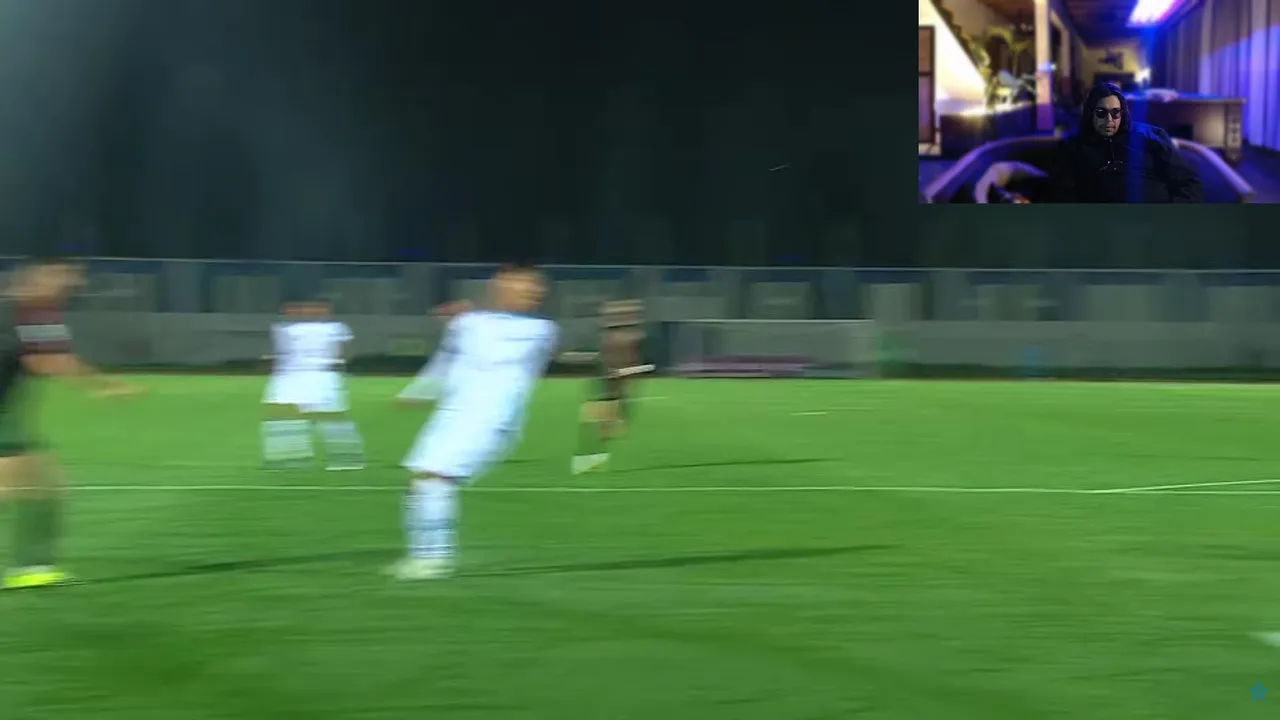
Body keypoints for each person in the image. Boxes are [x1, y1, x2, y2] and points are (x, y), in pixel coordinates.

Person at [391, 265, 558, 580]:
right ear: (497, 288)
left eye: (534, 290)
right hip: (454, 414)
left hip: (492, 417)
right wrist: (418, 391)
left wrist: (467, 316)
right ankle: (423, 555)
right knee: (419, 482)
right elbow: (445, 362)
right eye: (520, 287)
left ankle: (433, 560)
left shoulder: (540, 330)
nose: (531, 294)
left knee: (434, 479)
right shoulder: (469, 324)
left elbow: (494, 347)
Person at [0, 257, 137, 590]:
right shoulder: (31, 312)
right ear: (39, 275)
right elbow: (48, 361)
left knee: (43, 484)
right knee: (40, 484)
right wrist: (102, 385)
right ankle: (33, 567)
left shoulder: (21, 310)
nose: (71, 285)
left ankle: (34, 567)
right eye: (63, 276)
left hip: (6, 414)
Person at [1050, 82, 1202, 203]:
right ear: (1091, 113)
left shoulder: (1150, 136)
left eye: (1115, 113)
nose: (1109, 120)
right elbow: (1061, 194)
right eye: (1101, 113)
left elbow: (1189, 184)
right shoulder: (1074, 144)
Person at [261, 299, 364, 471]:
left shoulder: (335, 328)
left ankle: (347, 457)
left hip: (320, 375)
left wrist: (337, 363)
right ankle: (289, 457)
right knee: (280, 413)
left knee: (330, 417)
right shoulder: (284, 329)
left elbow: (346, 350)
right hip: (289, 376)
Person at [564, 299, 649, 474]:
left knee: (613, 408)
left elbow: (630, 358)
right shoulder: (617, 337)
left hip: (617, 376)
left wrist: (628, 372)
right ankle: (597, 444)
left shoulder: (628, 336)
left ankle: (601, 440)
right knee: (606, 409)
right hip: (611, 377)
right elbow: (610, 358)